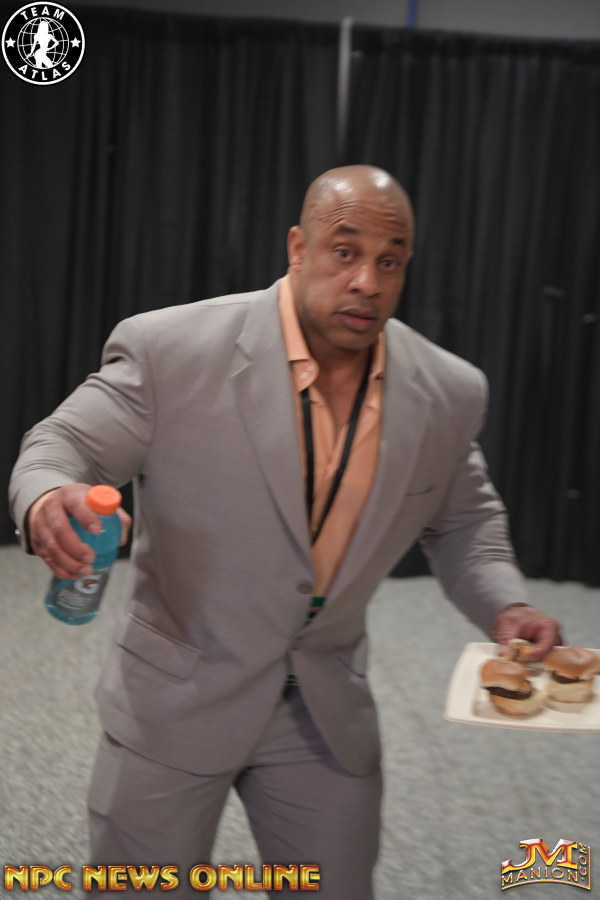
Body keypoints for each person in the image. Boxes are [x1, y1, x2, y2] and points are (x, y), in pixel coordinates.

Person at [9, 165, 561, 898]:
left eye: (390, 261)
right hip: (176, 698)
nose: (366, 281)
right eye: (345, 251)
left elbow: (465, 521)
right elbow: (59, 446)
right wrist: (49, 498)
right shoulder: (172, 349)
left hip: (323, 713)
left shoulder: (449, 392)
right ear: (298, 248)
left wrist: (506, 605)